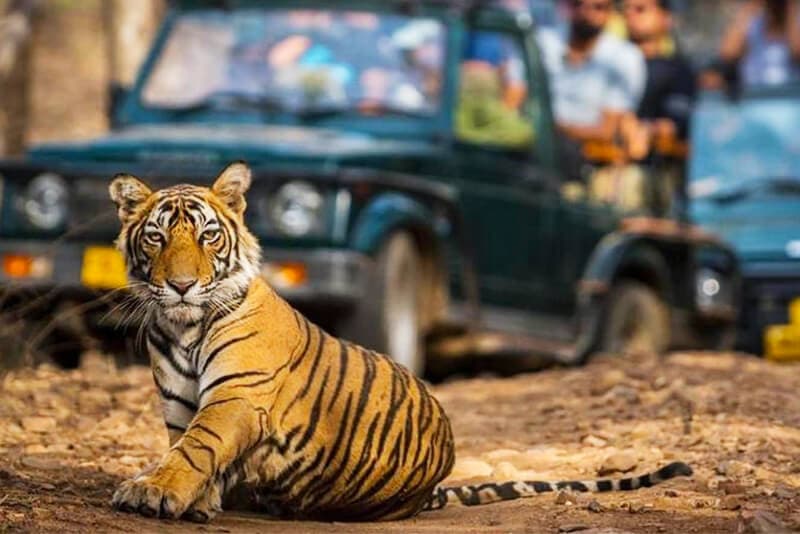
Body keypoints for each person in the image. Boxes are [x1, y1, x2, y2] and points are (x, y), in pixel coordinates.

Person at [538, 0, 646, 148]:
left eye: (598, 7)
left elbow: (606, 130)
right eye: (578, 4)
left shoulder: (625, 57)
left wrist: (552, 129)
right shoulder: (541, 41)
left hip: (585, 156)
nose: (586, 12)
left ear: (610, 12)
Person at [623, 0, 695, 148]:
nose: (630, 14)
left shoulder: (677, 71)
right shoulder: (608, 62)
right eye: (626, 9)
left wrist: (646, 130)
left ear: (665, 18)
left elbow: (674, 124)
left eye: (640, 9)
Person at [720, 0, 800, 87]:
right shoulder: (752, 22)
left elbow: (797, 52)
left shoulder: (794, 23)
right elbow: (728, 54)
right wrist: (751, 6)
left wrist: (790, 8)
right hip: (755, 94)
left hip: (791, 95)